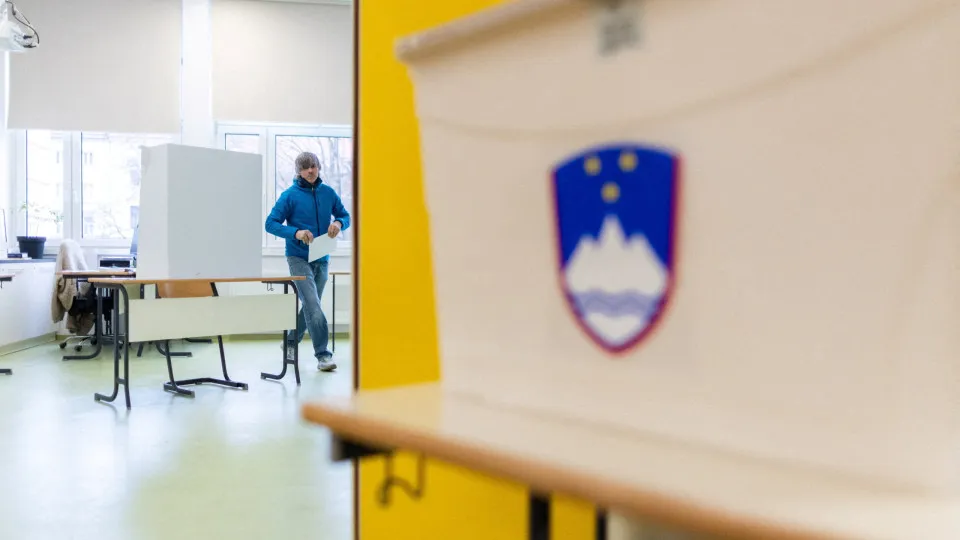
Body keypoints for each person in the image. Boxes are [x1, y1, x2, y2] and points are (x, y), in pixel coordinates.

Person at [265, 151, 350, 371]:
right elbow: (270, 224)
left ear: (318, 167)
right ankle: (323, 355)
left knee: (311, 305)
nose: (310, 171)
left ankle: (290, 341)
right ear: (299, 172)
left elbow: (345, 216)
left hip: (322, 256)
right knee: (313, 305)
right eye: (305, 168)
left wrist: (339, 223)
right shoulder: (289, 196)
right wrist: (296, 233)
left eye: (313, 166)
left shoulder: (328, 193)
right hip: (298, 257)